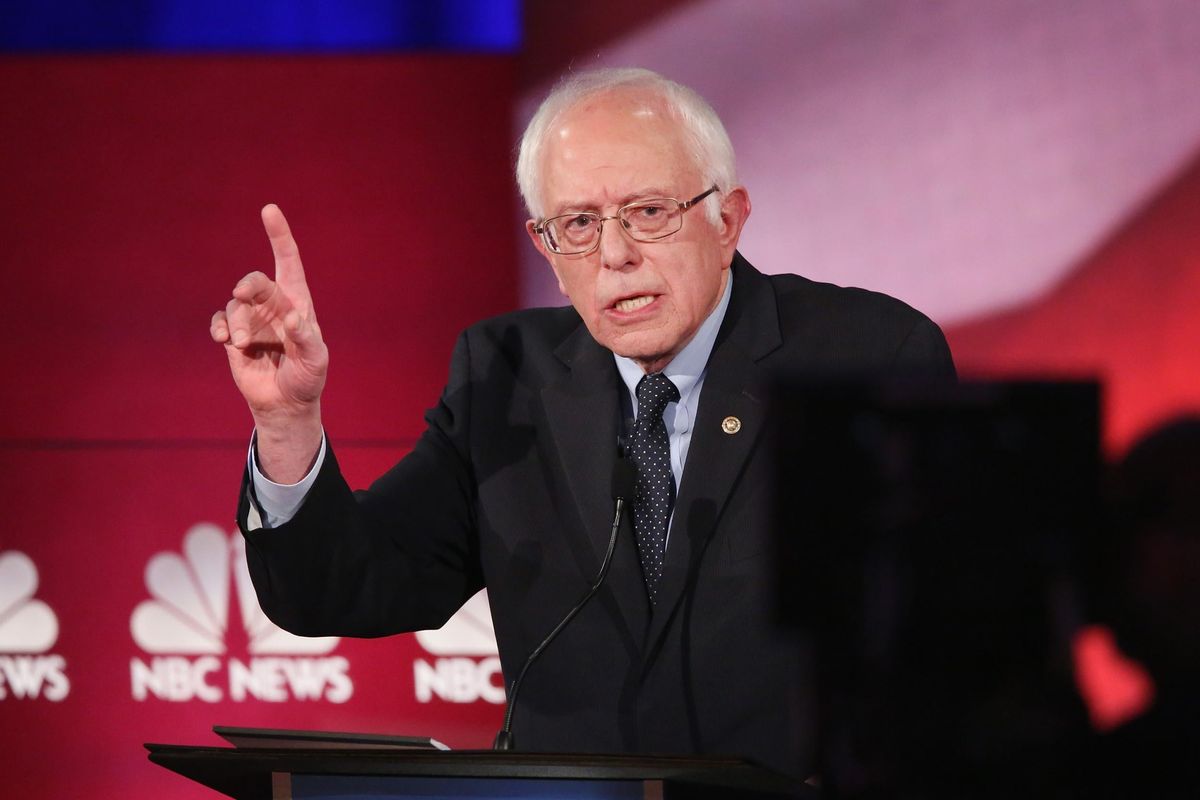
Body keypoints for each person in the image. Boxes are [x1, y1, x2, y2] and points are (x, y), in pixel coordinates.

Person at [210, 67, 956, 778]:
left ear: (728, 219)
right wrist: (287, 421)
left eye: (650, 212)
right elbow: (341, 587)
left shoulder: (865, 354)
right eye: (578, 223)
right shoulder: (505, 377)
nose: (616, 255)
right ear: (546, 246)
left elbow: (952, 638)